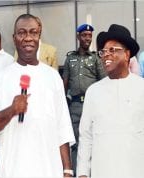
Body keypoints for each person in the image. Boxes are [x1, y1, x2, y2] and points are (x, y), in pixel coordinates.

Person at [0, 14, 75, 177]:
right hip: (14, 168)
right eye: (22, 33)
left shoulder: (53, 77)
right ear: (14, 38)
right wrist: (11, 110)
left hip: (48, 169)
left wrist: (67, 170)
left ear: (39, 36)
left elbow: (63, 127)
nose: (28, 38)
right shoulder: (1, 79)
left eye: (33, 32)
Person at [77, 24, 144, 178]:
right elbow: (86, 136)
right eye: (103, 51)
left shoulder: (142, 87)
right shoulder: (93, 91)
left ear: (127, 55)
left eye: (112, 50)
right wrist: (82, 173)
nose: (106, 54)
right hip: (103, 170)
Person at [62, 23, 106, 174]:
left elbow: (103, 83)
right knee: (74, 141)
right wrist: (63, 105)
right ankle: (75, 172)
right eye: (84, 35)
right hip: (74, 106)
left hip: (91, 105)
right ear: (78, 37)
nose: (87, 38)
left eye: (89, 36)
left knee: (92, 141)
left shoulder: (95, 59)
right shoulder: (70, 59)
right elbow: (65, 84)